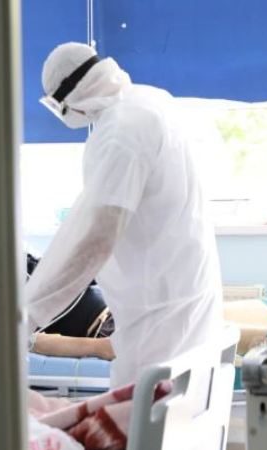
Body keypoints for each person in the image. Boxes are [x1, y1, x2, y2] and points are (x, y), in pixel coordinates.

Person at [25, 42, 223, 387]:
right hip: (184, 297)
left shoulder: (121, 132)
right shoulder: (151, 101)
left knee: (146, 413)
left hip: (158, 318)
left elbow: (93, 239)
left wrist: (24, 318)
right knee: (177, 412)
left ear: (68, 98)